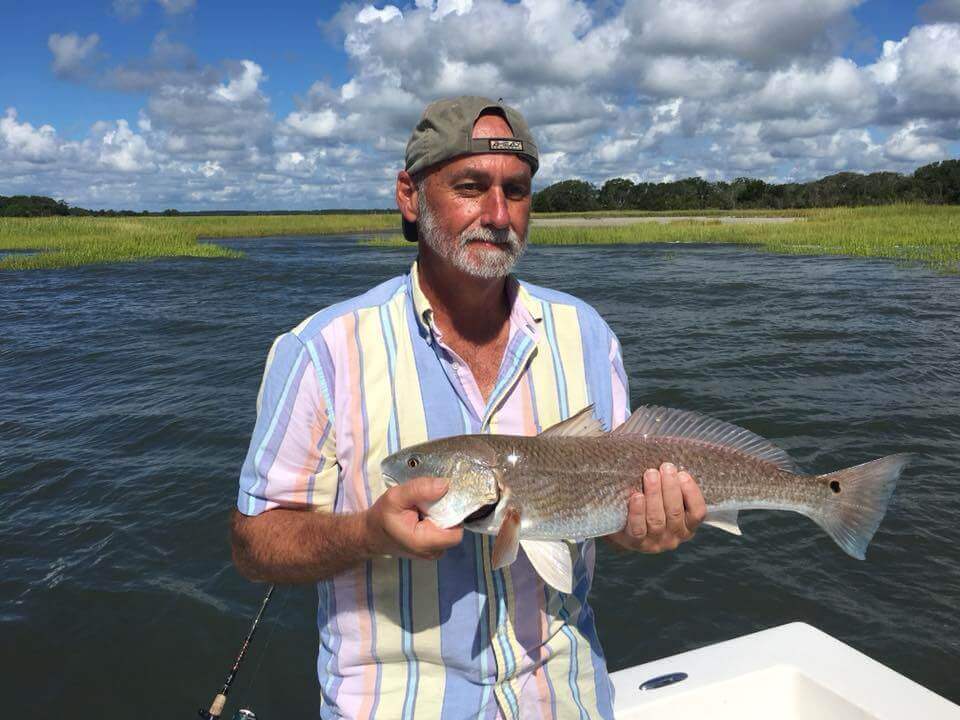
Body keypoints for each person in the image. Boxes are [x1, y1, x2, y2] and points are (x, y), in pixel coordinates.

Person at [231, 96, 706, 720]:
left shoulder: (587, 334)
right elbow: (253, 543)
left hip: (566, 700)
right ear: (410, 195)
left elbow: (605, 513)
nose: (498, 213)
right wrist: (368, 533)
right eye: (470, 186)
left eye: (517, 190)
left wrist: (644, 525)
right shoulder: (321, 350)